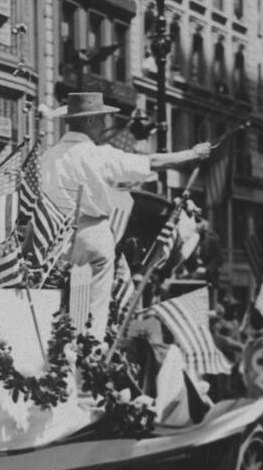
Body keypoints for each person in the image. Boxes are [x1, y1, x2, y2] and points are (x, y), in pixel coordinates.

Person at [41, 92, 212, 339]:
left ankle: (58, 349)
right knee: (95, 307)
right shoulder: (98, 154)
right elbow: (152, 161)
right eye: (100, 119)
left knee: (58, 299)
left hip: (55, 236)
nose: (104, 125)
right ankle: (89, 353)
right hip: (92, 232)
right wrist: (192, 154)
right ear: (88, 122)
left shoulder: (50, 156)